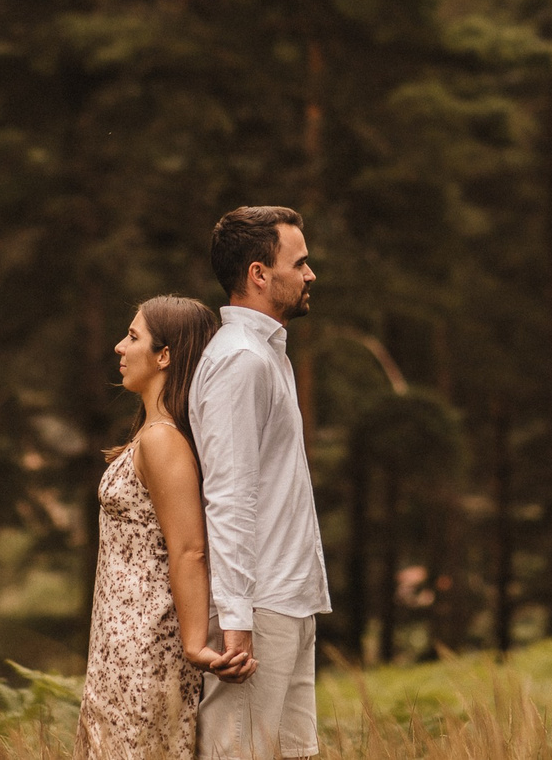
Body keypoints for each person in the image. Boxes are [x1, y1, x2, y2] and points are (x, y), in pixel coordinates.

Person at [79, 296, 256, 760]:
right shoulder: (151, 434)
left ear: (165, 355)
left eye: (133, 337)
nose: (120, 347)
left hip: (146, 647)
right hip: (120, 645)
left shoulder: (162, 441)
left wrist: (196, 645)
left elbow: (190, 549)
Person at [189, 207, 327, 760]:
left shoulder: (266, 356)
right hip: (258, 607)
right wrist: (237, 619)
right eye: (300, 262)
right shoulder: (241, 361)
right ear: (259, 274)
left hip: (288, 599)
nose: (311, 274)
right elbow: (228, 495)